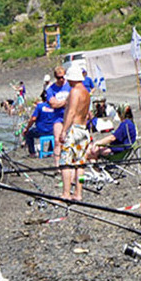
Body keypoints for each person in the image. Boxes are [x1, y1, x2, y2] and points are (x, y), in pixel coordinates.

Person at [57, 60, 94, 200]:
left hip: (74, 129)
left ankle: (66, 193)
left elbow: (71, 112)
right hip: (83, 130)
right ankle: (78, 193)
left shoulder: (75, 92)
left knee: (65, 163)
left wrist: (64, 131)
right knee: (80, 164)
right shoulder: (86, 92)